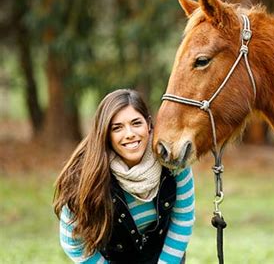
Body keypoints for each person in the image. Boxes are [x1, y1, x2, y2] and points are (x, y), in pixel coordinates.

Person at [53, 89, 194, 264]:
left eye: (136, 123)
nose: (129, 134)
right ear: (105, 134)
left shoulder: (173, 162)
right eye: (117, 128)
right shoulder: (85, 175)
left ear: (149, 124)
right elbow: (72, 241)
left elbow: (183, 219)